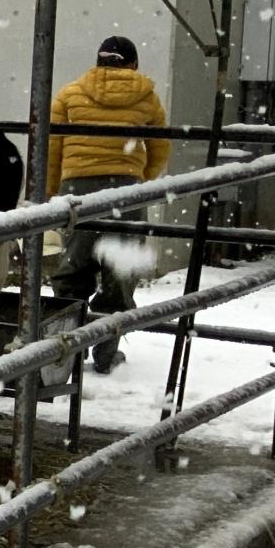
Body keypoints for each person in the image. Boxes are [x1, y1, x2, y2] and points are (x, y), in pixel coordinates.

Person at [46, 35, 170, 374]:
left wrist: (52, 194)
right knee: (120, 273)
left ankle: (69, 351)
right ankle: (105, 352)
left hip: (78, 193)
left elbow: (52, 148)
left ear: (98, 61)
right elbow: (160, 146)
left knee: (73, 270)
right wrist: (138, 178)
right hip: (125, 192)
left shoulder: (70, 93)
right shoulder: (146, 96)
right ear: (133, 64)